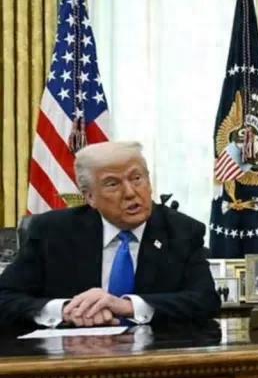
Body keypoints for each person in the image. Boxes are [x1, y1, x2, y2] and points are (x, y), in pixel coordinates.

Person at [0, 141, 219, 330]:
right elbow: (5, 297)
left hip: (154, 355)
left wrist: (127, 306)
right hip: (71, 356)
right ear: (90, 197)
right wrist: (65, 310)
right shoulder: (52, 231)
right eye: (113, 184)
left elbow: (205, 300)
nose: (130, 192)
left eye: (137, 178)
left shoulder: (181, 231)